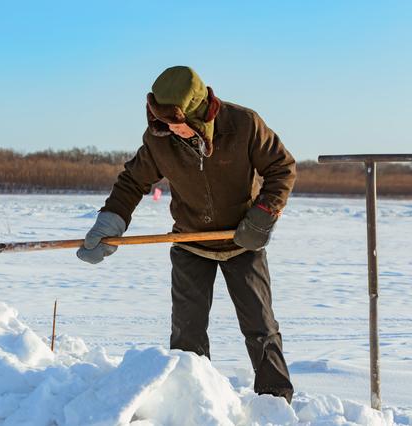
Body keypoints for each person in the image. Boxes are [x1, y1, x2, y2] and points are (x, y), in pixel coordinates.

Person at [77, 66, 296, 402]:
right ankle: (190, 401)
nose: (170, 130)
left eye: (174, 123)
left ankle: (276, 401)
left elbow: (281, 167)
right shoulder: (159, 138)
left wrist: (263, 215)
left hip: (243, 242)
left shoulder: (244, 124)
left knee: (260, 327)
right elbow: (133, 181)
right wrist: (111, 221)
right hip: (189, 243)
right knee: (186, 332)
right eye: (161, 122)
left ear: (197, 113)